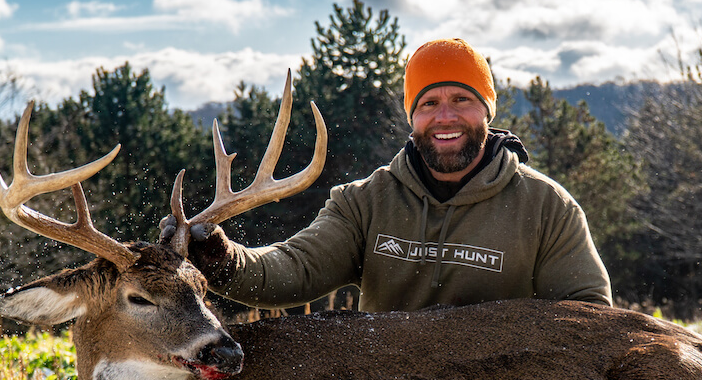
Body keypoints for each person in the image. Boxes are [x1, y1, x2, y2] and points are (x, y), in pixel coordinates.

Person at [162, 38, 612, 311]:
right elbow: (294, 270)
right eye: (429, 104)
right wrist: (221, 257)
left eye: (462, 100)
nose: (445, 117)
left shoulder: (546, 207)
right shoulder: (365, 202)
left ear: (488, 112)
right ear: (412, 117)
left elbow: (588, 314)